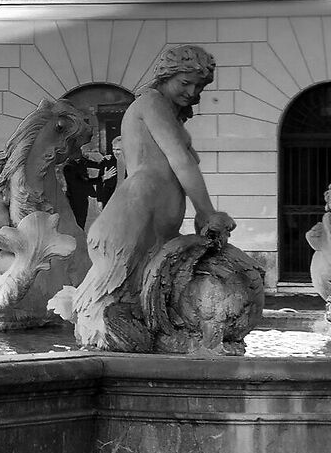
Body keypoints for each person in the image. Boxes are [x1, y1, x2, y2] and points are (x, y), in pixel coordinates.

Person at [51, 45, 233, 350]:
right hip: (136, 211)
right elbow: (179, 159)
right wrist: (206, 211)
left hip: (150, 214)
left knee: (141, 296)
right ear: (166, 76)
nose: (192, 92)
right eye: (185, 83)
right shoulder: (151, 102)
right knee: (111, 296)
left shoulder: (166, 109)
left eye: (199, 86)